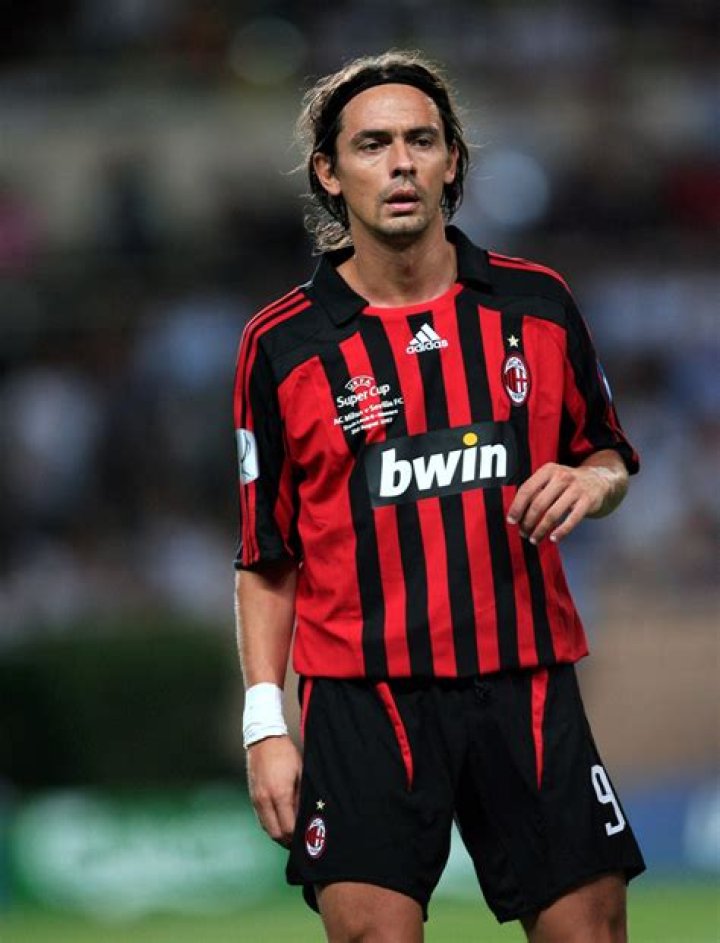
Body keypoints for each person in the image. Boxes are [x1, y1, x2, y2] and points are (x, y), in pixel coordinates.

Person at [233, 50, 645, 943]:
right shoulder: (282, 344)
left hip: (524, 679)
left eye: (421, 140)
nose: (401, 163)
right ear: (328, 172)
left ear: (452, 159)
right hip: (364, 699)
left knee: (592, 933)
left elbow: (608, 454)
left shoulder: (537, 304)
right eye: (372, 144)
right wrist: (266, 723)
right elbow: (266, 556)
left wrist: (590, 480)